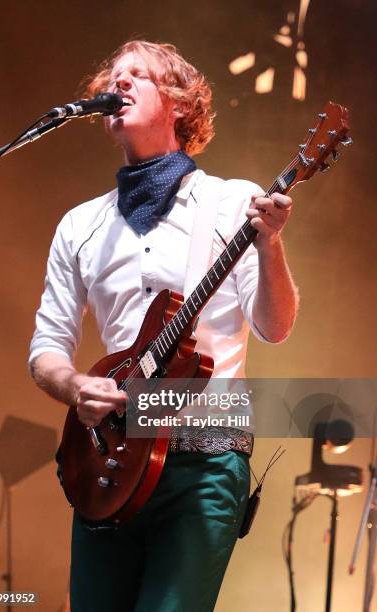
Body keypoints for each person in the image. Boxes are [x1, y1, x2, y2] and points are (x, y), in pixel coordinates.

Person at [29, 40, 298, 612]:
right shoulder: (80, 224)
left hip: (204, 458)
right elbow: (48, 347)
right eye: (114, 76)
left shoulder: (233, 203)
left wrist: (270, 244)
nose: (119, 83)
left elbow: (275, 328)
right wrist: (76, 386)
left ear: (179, 103)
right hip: (109, 460)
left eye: (138, 76)